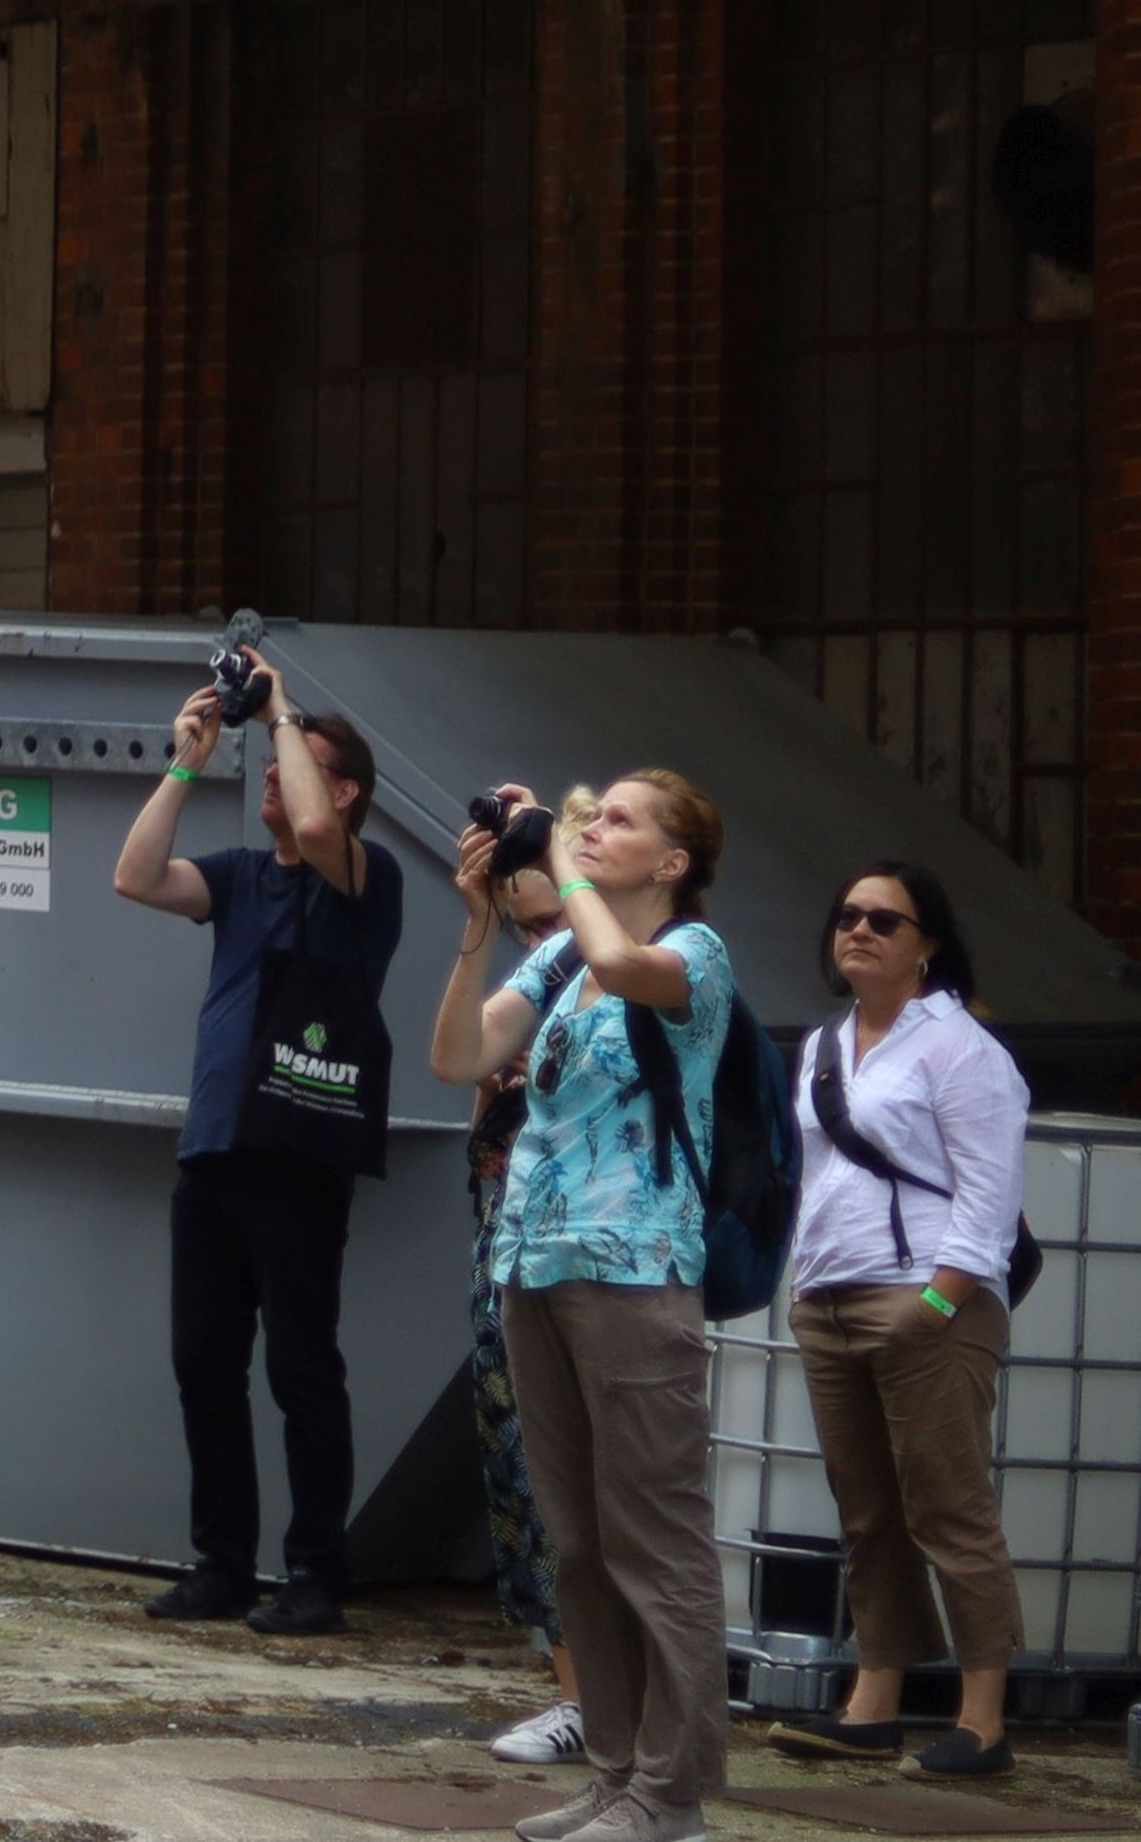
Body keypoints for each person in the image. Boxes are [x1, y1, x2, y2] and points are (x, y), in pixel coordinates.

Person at [427, 767, 739, 1842]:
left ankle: (672, 1792)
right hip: (534, 1261)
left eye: (618, 822)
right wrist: (477, 927)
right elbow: (458, 1056)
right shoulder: (561, 957)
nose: (594, 830)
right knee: (580, 1542)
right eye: (588, 816)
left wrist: (553, 847)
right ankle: (614, 1774)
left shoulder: (691, 956)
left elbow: (618, 954)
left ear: (674, 862)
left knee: (657, 1538)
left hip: (635, 1266)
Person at [106, 655, 401, 1634]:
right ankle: (220, 1563)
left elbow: (318, 829)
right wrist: (188, 763)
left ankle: (317, 1570)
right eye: (272, 757)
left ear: (346, 786)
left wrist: (280, 709)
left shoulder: (365, 876)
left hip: (300, 1156)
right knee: (205, 1362)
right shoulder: (236, 878)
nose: (273, 773)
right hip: (216, 1150)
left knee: (301, 1366)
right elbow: (135, 875)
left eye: (297, 760)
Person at [776, 855, 1023, 1781]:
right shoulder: (826, 1044)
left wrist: (935, 1303)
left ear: (928, 948)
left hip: (925, 1300)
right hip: (831, 1300)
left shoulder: (961, 1049)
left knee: (950, 1510)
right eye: (848, 916)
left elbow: (990, 1199)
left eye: (885, 920)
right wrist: (803, 1281)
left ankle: (983, 1719)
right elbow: (815, 1174)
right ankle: (874, 1700)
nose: (861, 931)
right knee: (868, 1513)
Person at [459, 801, 592, 1771]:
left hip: (580, 1258)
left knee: (579, 1486)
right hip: (502, 1242)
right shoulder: (534, 976)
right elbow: (460, 1063)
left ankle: (606, 1700)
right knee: (519, 1475)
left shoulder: (625, 970)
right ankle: (574, 1688)